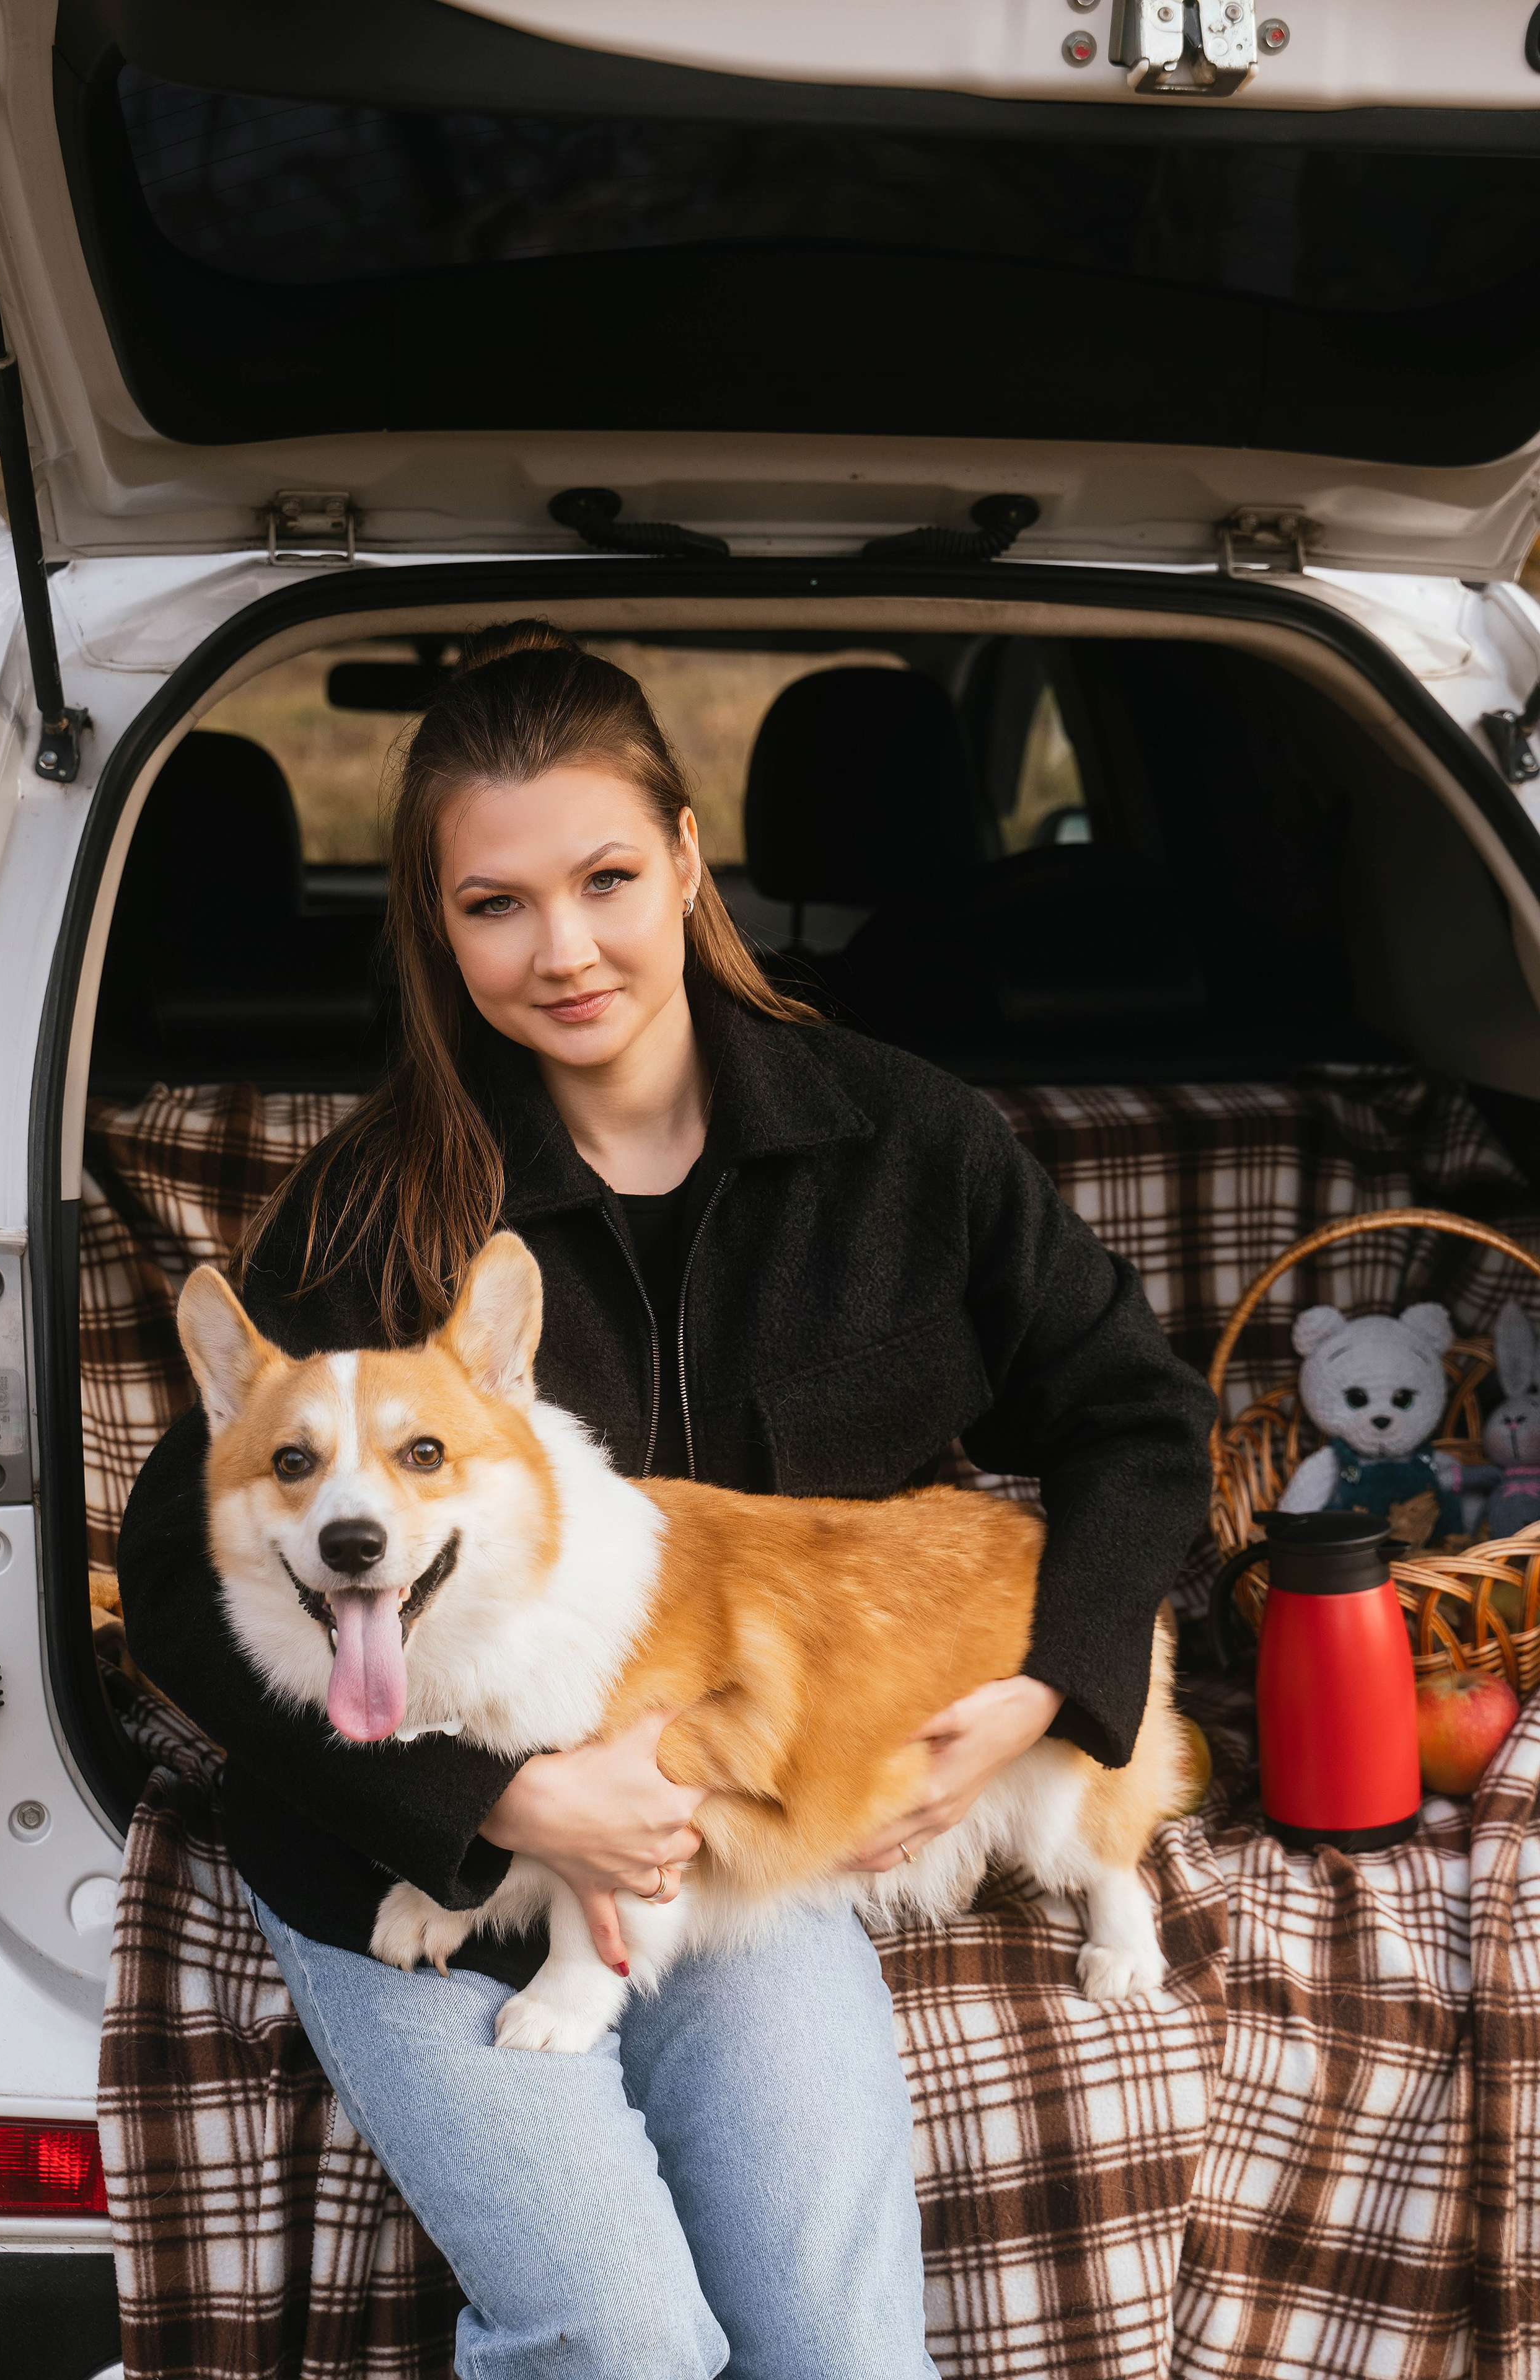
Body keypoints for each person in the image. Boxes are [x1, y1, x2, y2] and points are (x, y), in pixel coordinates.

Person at [117, 620, 1216, 2380]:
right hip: (395, 1845)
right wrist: (504, 1800)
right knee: (620, 2342)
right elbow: (173, 1576)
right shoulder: (372, 1211)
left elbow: (1142, 1426)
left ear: (691, 860)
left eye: (608, 877)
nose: (565, 951)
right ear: (435, 924)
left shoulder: (904, 1144)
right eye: (494, 905)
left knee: (838, 2354)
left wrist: (1051, 1683)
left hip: (718, 1858)